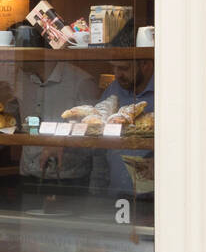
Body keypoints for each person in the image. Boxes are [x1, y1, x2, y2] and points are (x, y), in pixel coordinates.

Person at [10, 60, 99, 202]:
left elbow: (94, 127)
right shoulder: (21, 77)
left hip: (69, 179)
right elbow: (13, 115)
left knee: (64, 224)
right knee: (29, 223)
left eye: (23, 50)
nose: (16, 56)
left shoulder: (81, 81)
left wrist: (61, 142)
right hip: (28, 174)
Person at [93, 58, 156, 201]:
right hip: (115, 193)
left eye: (124, 68)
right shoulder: (114, 89)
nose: (117, 75)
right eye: (114, 68)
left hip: (155, 198)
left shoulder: (168, 91)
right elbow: (98, 136)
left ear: (146, 64)